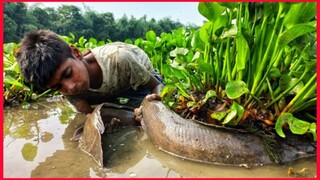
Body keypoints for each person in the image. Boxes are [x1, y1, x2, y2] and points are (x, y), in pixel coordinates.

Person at [15, 29, 163, 120]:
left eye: (68, 74)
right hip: (110, 90)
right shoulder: (65, 87)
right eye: (57, 86)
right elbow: (90, 115)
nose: (70, 87)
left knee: (145, 110)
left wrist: (154, 103)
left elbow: (156, 85)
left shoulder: (120, 59)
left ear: (76, 53)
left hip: (135, 79)